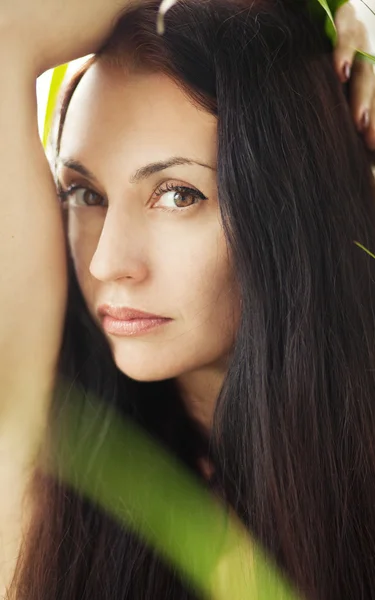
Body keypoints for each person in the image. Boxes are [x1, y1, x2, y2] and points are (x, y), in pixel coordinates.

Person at [0, 0, 375, 598]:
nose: (107, 264)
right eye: (83, 193)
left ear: (292, 202)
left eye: (177, 194)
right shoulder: (44, 468)